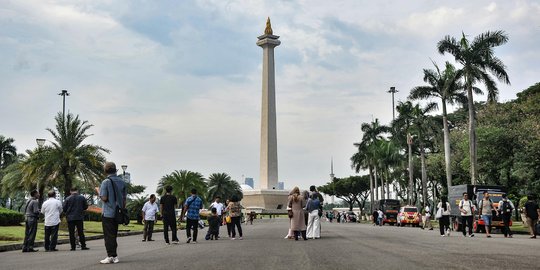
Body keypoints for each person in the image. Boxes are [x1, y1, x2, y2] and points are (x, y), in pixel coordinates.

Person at [97, 161, 127, 264]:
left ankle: (111, 256)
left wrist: (98, 191)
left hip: (108, 213)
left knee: (108, 235)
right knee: (113, 234)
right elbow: (124, 200)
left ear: (105, 170)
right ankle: (114, 255)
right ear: (115, 170)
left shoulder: (106, 182)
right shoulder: (122, 182)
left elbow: (104, 198)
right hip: (118, 212)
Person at [63, 186, 89, 251]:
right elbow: (85, 207)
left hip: (70, 218)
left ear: (70, 191)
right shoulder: (82, 198)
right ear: (77, 191)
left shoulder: (67, 198)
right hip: (79, 217)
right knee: (81, 232)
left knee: (71, 233)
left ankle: (73, 247)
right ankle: (83, 246)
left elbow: (64, 208)